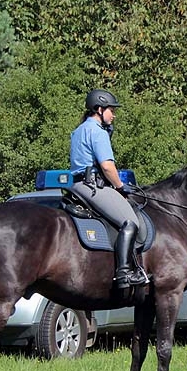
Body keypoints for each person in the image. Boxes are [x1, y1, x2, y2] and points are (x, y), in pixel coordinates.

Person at [69, 89, 148, 296]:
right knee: (130, 222)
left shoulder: (79, 130)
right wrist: (121, 188)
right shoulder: (97, 132)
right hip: (93, 186)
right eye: (111, 110)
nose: (114, 115)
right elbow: (107, 167)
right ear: (99, 109)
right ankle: (124, 273)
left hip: (77, 185)